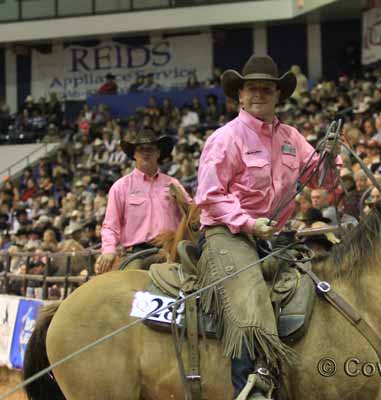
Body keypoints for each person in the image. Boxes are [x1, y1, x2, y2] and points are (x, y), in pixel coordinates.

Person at [195, 54, 339, 399]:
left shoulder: (291, 137)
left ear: (278, 96)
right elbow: (209, 195)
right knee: (249, 296)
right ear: (240, 96)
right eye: (252, 88)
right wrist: (247, 223)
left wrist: (331, 157)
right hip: (226, 234)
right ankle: (249, 386)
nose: (259, 94)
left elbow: (321, 176)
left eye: (266, 89)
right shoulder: (226, 138)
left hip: (273, 236)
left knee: (317, 284)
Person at [96, 129, 191, 273]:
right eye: (141, 149)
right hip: (136, 253)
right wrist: (109, 250)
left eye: (151, 149)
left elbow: (191, 213)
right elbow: (110, 225)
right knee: (129, 284)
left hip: (170, 251)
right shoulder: (121, 187)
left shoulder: (173, 184)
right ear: (134, 154)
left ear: (158, 153)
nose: (146, 152)